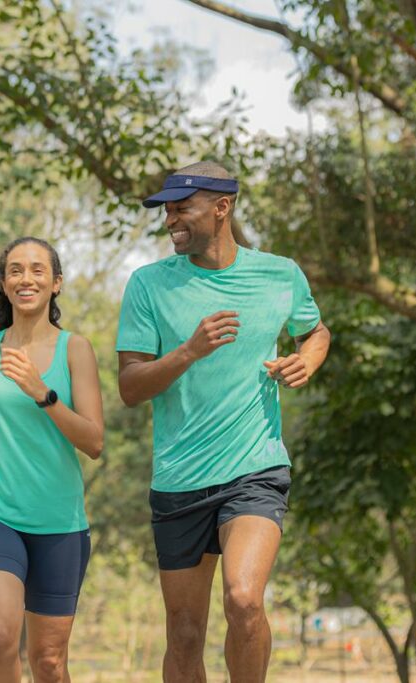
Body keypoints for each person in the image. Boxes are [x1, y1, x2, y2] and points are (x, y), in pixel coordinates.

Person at [116, 161, 330, 682]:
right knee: (186, 633)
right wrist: (188, 351)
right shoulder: (149, 286)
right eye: (167, 211)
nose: (171, 220)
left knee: (243, 598)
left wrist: (308, 359)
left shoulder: (280, 274)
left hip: (255, 468)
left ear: (222, 207)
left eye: (181, 208)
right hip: (179, 478)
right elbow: (129, 386)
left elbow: (316, 330)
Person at [0, 237, 104, 683]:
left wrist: (42, 393)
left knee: (49, 663)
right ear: (4, 282)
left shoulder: (76, 350)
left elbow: (94, 442)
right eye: (15, 269)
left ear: (56, 284)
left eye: (37, 270)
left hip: (59, 523)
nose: (25, 278)